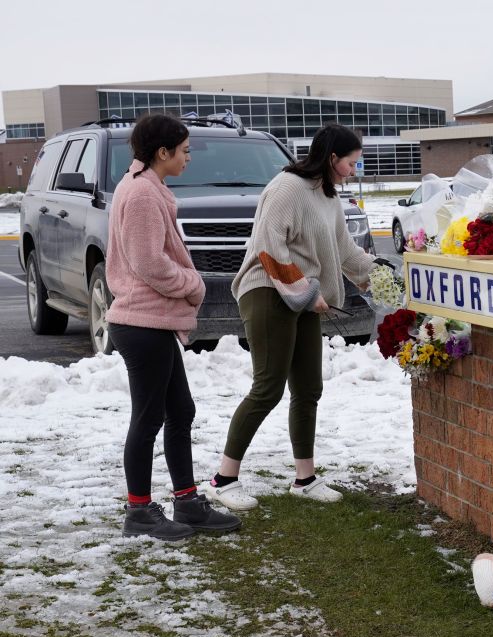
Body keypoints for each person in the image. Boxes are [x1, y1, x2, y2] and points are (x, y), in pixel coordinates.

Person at [204, 123, 378, 506]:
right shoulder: (287, 188)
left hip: (304, 299)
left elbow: (346, 252)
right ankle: (222, 479)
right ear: (332, 159)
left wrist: (381, 277)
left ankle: (304, 479)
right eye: (351, 163)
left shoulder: (327, 197)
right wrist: (303, 289)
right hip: (267, 293)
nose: (354, 170)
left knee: (308, 389)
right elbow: (269, 248)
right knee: (267, 388)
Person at [107, 113, 241, 540]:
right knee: (148, 420)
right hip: (141, 320)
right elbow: (148, 263)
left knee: (180, 411)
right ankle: (140, 511)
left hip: (151, 321)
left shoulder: (147, 187)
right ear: (162, 152)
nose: (189, 157)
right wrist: (193, 283)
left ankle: (187, 503)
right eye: (184, 150)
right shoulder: (144, 195)